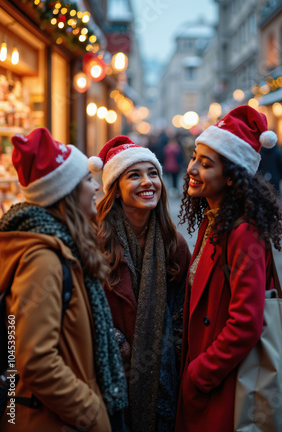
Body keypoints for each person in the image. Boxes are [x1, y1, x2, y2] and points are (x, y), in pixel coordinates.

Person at [0, 128, 127, 432]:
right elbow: (34, 359)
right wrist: (91, 412)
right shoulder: (43, 258)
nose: (95, 186)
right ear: (66, 194)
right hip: (48, 420)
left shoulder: (63, 245)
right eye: (86, 180)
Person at [175, 105, 282, 432]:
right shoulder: (214, 220)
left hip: (226, 385)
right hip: (210, 379)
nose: (192, 168)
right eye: (195, 157)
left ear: (233, 175)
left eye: (206, 164)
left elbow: (246, 324)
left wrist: (199, 374)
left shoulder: (242, 231)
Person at [88, 136, 191, 432]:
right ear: (116, 190)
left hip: (163, 376)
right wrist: (114, 341)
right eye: (134, 175)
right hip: (107, 374)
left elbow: (181, 308)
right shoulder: (94, 241)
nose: (148, 182)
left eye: (153, 173)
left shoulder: (174, 243)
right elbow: (80, 307)